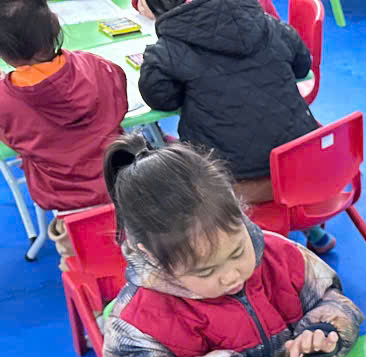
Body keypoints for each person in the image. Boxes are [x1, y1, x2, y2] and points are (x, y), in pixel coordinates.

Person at [100, 135, 361, 357]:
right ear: (151, 255)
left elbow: (333, 299)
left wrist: (324, 330)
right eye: (206, 271)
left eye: (237, 252)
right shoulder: (138, 319)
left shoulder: (281, 254)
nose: (231, 275)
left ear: (240, 212)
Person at [135, 0, 335, 254]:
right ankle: (311, 228)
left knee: (166, 169)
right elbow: (302, 64)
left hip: (236, 185)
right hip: (303, 170)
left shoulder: (169, 48)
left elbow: (160, 100)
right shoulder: (266, 22)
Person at [0, 0, 127, 255]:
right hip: (126, 185)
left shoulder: (0, 99)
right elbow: (118, 94)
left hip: (68, 202)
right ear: (53, 24)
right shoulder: (96, 65)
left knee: (84, 266)